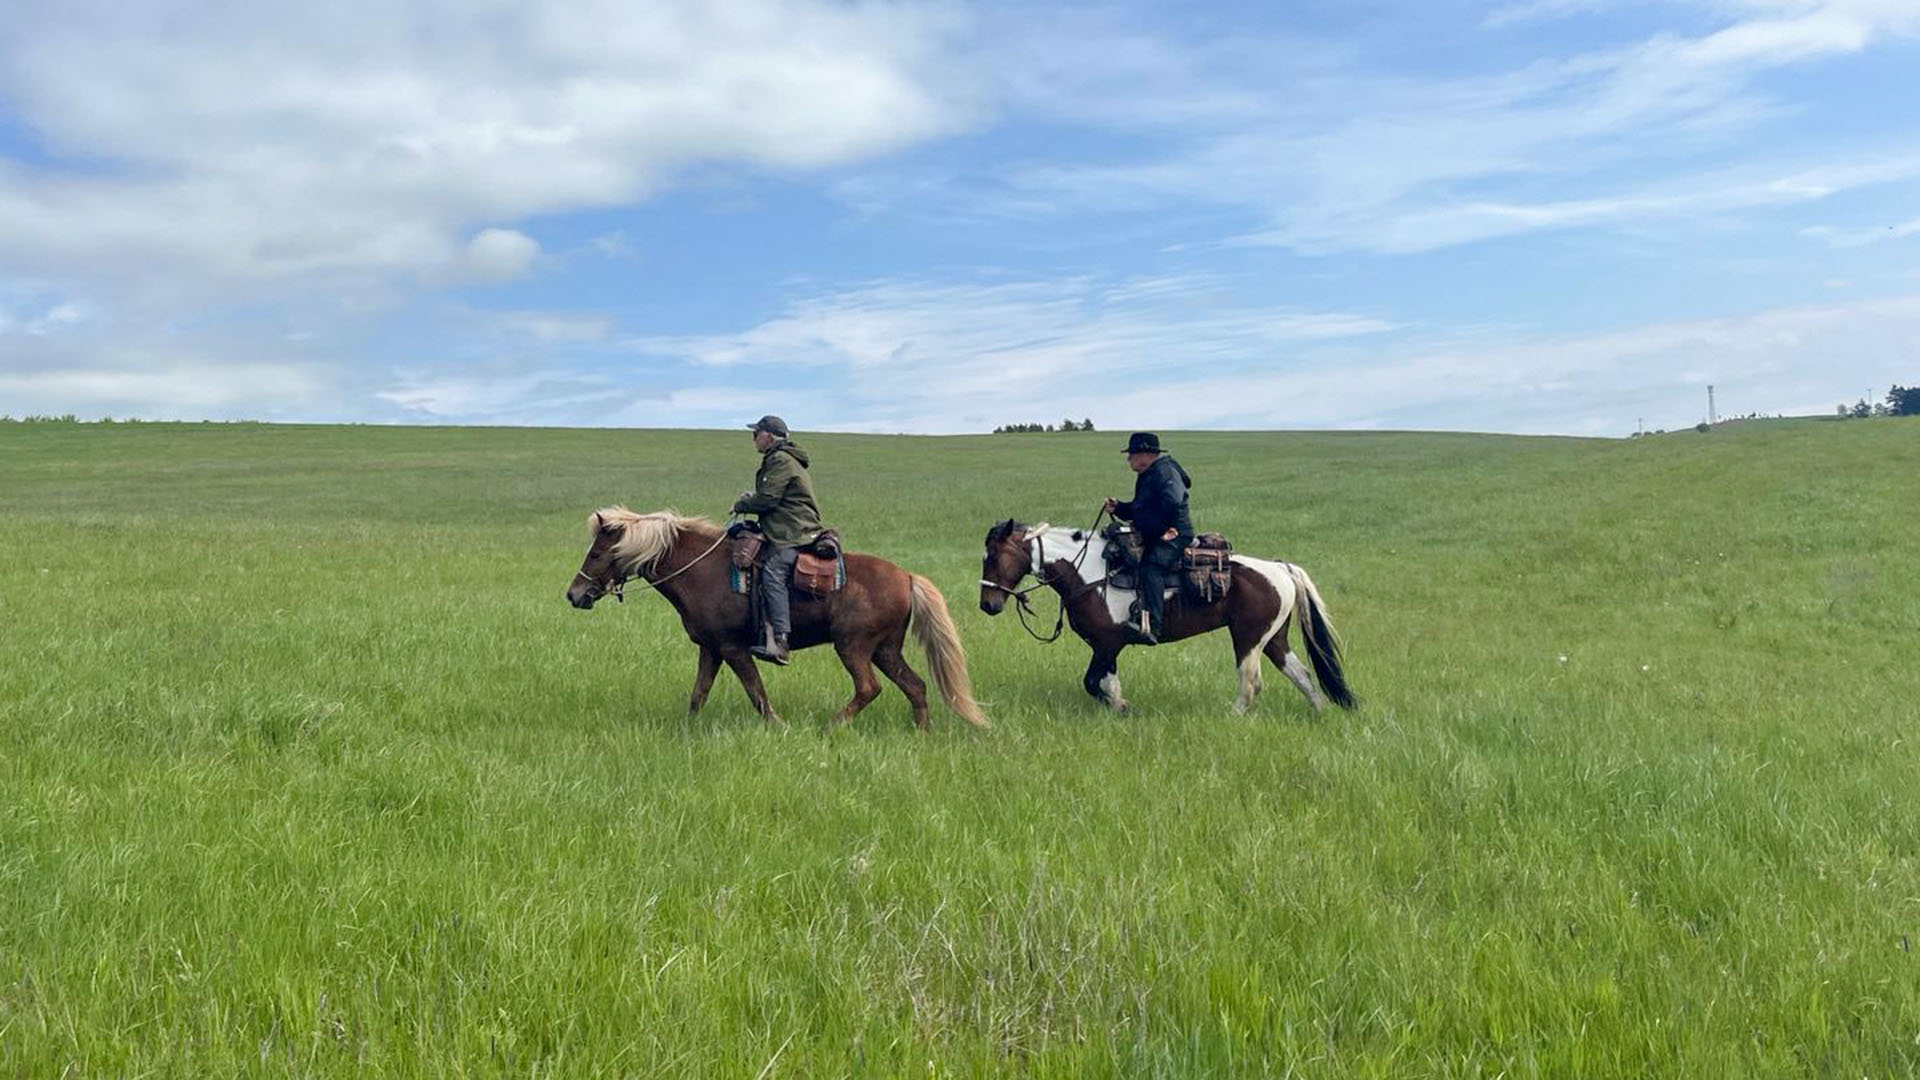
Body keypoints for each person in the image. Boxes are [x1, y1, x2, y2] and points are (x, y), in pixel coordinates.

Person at [732, 415, 823, 666]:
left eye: (756, 434)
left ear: (769, 436)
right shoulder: (781, 459)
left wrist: (743, 504)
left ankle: (781, 642)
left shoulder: (780, 460)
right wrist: (753, 498)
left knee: (773, 570)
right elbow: (770, 495)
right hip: (786, 526)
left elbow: (769, 499)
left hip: (793, 531)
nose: (753, 440)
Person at [1102, 431, 1192, 645]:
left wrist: (1155, 530)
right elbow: (1139, 509)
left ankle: (1154, 625)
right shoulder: (1149, 475)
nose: (1129, 459)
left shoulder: (1165, 471)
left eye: (1132, 454)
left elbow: (1171, 504)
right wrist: (1120, 508)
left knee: (1151, 566)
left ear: (1145, 454)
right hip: (1158, 531)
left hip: (1174, 533)